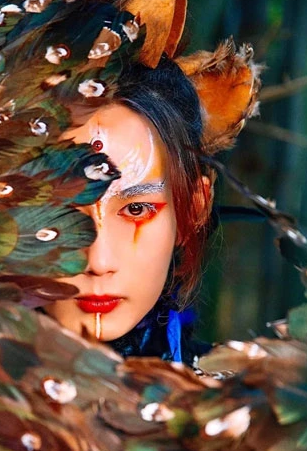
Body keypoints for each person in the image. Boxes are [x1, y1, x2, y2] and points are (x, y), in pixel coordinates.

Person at [46, 57, 212, 363]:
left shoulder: (253, 392)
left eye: (136, 209)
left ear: (191, 210)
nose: (99, 262)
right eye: (59, 211)